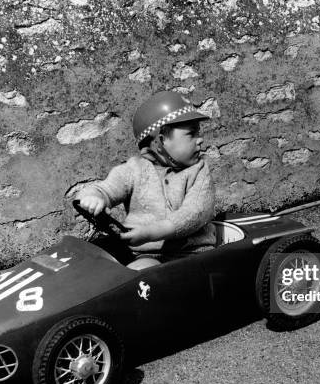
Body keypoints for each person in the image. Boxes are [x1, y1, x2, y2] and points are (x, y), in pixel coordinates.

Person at [76, 91, 216, 270]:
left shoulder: (199, 171)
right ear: (160, 141)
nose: (200, 140)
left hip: (187, 257)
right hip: (138, 253)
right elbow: (107, 188)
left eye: (198, 133)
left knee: (137, 271)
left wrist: (150, 233)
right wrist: (94, 197)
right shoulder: (134, 169)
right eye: (191, 134)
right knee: (94, 262)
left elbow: (193, 214)